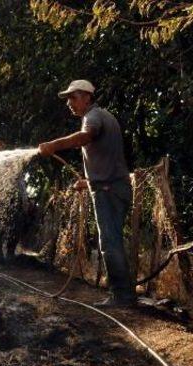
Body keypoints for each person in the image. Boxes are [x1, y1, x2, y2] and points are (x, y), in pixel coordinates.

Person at [38, 79, 134, 307]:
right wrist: (88, 181)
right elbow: (108, 159)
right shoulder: (104, 116)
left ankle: (122, 296)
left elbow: (86, 137)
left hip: (109, 190)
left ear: (87, 97)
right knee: (112, 240)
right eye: (68, 98)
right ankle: (123, 293)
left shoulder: (92, 117)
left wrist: (54, 144)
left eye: (73, 97)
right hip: (111, 186)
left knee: (110, 242)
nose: (69, 103)